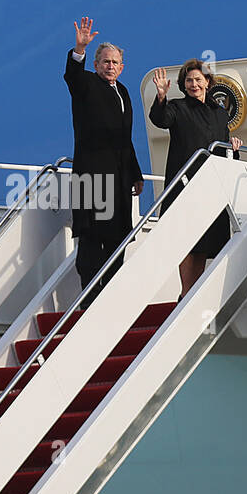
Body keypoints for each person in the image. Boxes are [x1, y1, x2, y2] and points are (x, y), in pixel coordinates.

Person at [64, 16, 145, 305]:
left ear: (122, 68)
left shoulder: (123, 92)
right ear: (96, 64)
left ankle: (111, 294)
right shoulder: (85, 84)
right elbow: (73, 75)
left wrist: (136, 173)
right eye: (106, 62)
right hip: (92, 176)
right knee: (91, 237)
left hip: (119, 178)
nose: (110, 66)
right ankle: (89, 297)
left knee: (118, 237)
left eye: (115, 63)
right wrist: (80, 50)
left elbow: (126, 137)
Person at [149, 59, 243, 297]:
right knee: (185, 240)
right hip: (184, 184)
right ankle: (185, 293)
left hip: (210, 186)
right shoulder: (177, 107)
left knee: (205, 241)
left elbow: (224, 148)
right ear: (183, 84)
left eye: (198, 80)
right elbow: (160, 119)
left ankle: (192, 294)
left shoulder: (220, 113)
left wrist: (234, 146)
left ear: (208, 82)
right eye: (189, 80)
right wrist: (161, 96)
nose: (194, 84)